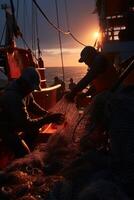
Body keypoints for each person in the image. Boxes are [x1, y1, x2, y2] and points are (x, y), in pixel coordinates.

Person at [0, 67, 65, 158]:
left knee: (34, 131)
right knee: (24, 153)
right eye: (31, 88)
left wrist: (47, 113)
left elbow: (32, 106)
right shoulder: (13, 97)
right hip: (6, 130)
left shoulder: (25, 90)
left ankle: (26, 146)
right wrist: (48, 119)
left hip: (15, 125)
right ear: (24, 83)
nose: (32, 90)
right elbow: (26, 125)